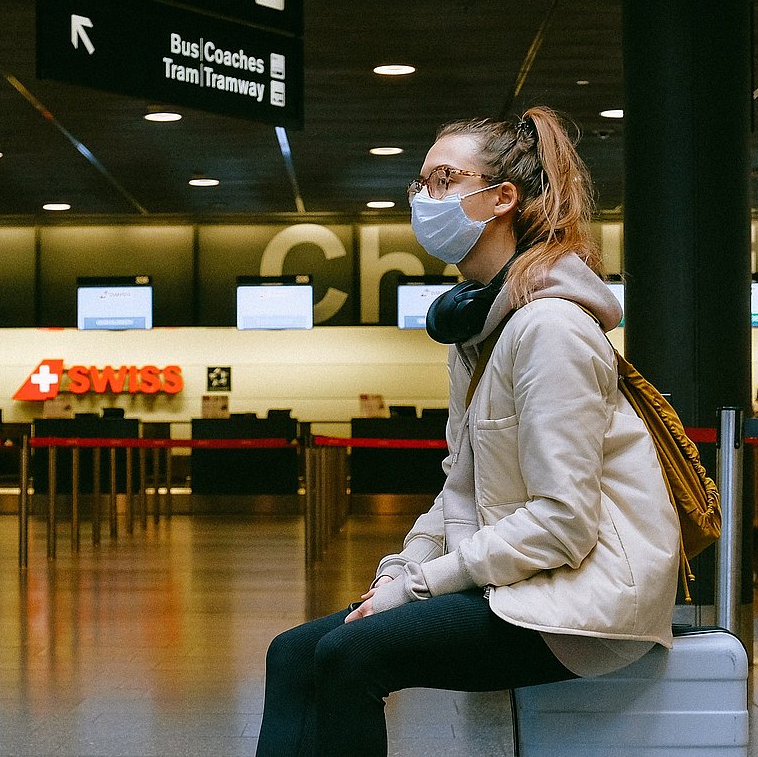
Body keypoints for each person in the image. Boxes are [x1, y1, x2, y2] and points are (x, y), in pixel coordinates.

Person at [257, 108, 682, 757]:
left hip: (583, 607)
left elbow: (563, 522)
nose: (424, 199)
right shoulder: (479, 335)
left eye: (443, 178)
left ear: (501, 197)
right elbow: (460, 485)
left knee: (349, 656)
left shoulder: (550, 330)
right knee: (294, 652)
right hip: (523, 584)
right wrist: (398, 572)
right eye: (419, 184)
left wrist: (422, 586)